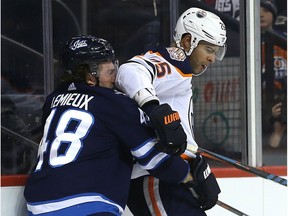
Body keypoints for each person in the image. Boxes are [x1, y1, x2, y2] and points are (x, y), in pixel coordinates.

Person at [23, 35, 220, 216]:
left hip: (36, 203)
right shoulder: (114, 103)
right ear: (90, 76)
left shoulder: (52, 100)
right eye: (108, 70)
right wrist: (190, 177)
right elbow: (155, 160)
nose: (115, 75)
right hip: (87, 204)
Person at [115, 7, 226, 216]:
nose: (212, 58)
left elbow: (174, 129)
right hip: (154, 177)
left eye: (216, 51)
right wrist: (152, 107)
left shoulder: (181, 72)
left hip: (169, 174)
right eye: (209, 49)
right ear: (187, 42)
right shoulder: (175, 60)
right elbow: (129, 70)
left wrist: (193, 162)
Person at [260, 0, 287, 149]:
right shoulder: (248, 42)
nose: (260, 13)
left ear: (274, 15)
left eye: (266, 10)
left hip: (283, 91)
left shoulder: (284, 39)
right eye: (257, 9)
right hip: (260, 96)